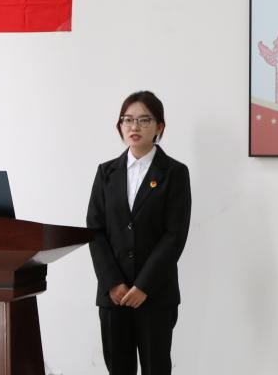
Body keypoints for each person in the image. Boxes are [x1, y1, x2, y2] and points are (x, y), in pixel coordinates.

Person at [87, 91, 191, 374]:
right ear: (120, 125)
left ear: (159, 127)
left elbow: (174, 235)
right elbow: (95, 230)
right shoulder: (106, 173)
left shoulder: (175, 173)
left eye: (144, 120)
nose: (134, 126)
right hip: (114, 296)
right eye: (127, 119)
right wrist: (113, 283)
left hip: (155, 294)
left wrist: (143, 285)